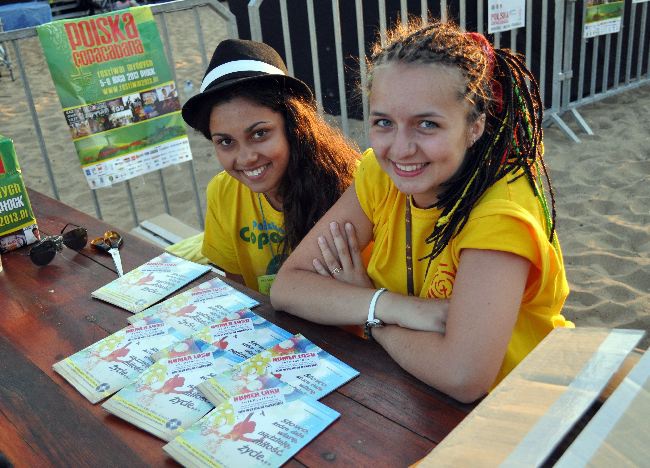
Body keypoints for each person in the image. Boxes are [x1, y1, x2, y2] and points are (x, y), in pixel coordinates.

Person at [271, 19, 573, 403]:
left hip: (518, 410)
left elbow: (463, 376)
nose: (400, 149)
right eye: (384, 122)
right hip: (411, 397)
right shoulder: (381, 175)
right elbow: (289, 286)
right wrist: (396, 307)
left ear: (474, 125)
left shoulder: (501, 212)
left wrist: (369, 312)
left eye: (426, 124)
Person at [180, 39, 361, 294]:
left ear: (294, 125)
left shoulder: (351, 186)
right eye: (226, 141)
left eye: (259, 134)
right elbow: (239, 289)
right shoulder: (223, 193)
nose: (246, 158)